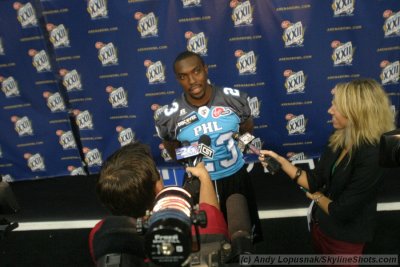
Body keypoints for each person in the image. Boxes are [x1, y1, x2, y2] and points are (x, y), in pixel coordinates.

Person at [258, 78, 395, 263]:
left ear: (357, 113)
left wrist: (315, 196)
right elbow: (315, 180)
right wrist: (281, 162)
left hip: (345, 240)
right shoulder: (339, 136)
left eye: (336, 107)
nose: (330, 110)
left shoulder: (374, 155)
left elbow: (341, 211)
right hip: (321, 226)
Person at [153, 50, 262, 242]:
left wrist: (237, 149)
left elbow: (247, 129)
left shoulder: (234, 99)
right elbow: (172, 148)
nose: (192, 81)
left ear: (205, 69)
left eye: (196, 72)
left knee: (243, 238)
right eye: (183, 76)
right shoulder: (169, 116)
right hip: (200, 184)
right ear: (178, 79)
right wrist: (194, 157)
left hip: (236, 177)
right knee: (208, 241)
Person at [89, 142, 229, 265]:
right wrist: (204, 177)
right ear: (158, 187)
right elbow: (210, 215)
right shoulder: (202, 229)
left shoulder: (102, 234)